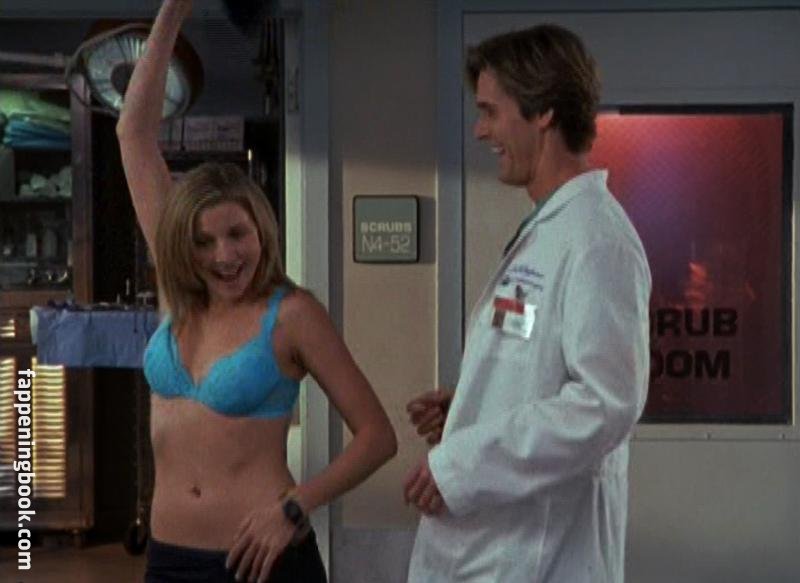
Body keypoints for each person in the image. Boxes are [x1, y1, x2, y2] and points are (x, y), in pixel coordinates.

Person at [117, 1, 397, 582]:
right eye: (204, 241)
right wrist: (173, 11)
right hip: (169, 561)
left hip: (262, 562)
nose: (224, 256)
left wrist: (294, 507)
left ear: (261, 229)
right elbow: (133, 132)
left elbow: (378, 437)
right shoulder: (179, 289)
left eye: (237, 234)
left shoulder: (291, 314)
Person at [404, 24, 651, 582]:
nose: (481, 129)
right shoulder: (552, 231)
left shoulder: (597, 240)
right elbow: (543, 368)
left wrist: (464, 463)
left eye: (491, 112)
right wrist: (472, 407)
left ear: (543, 112)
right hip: (499, 551)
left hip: (539, 557)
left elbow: (604, 404)